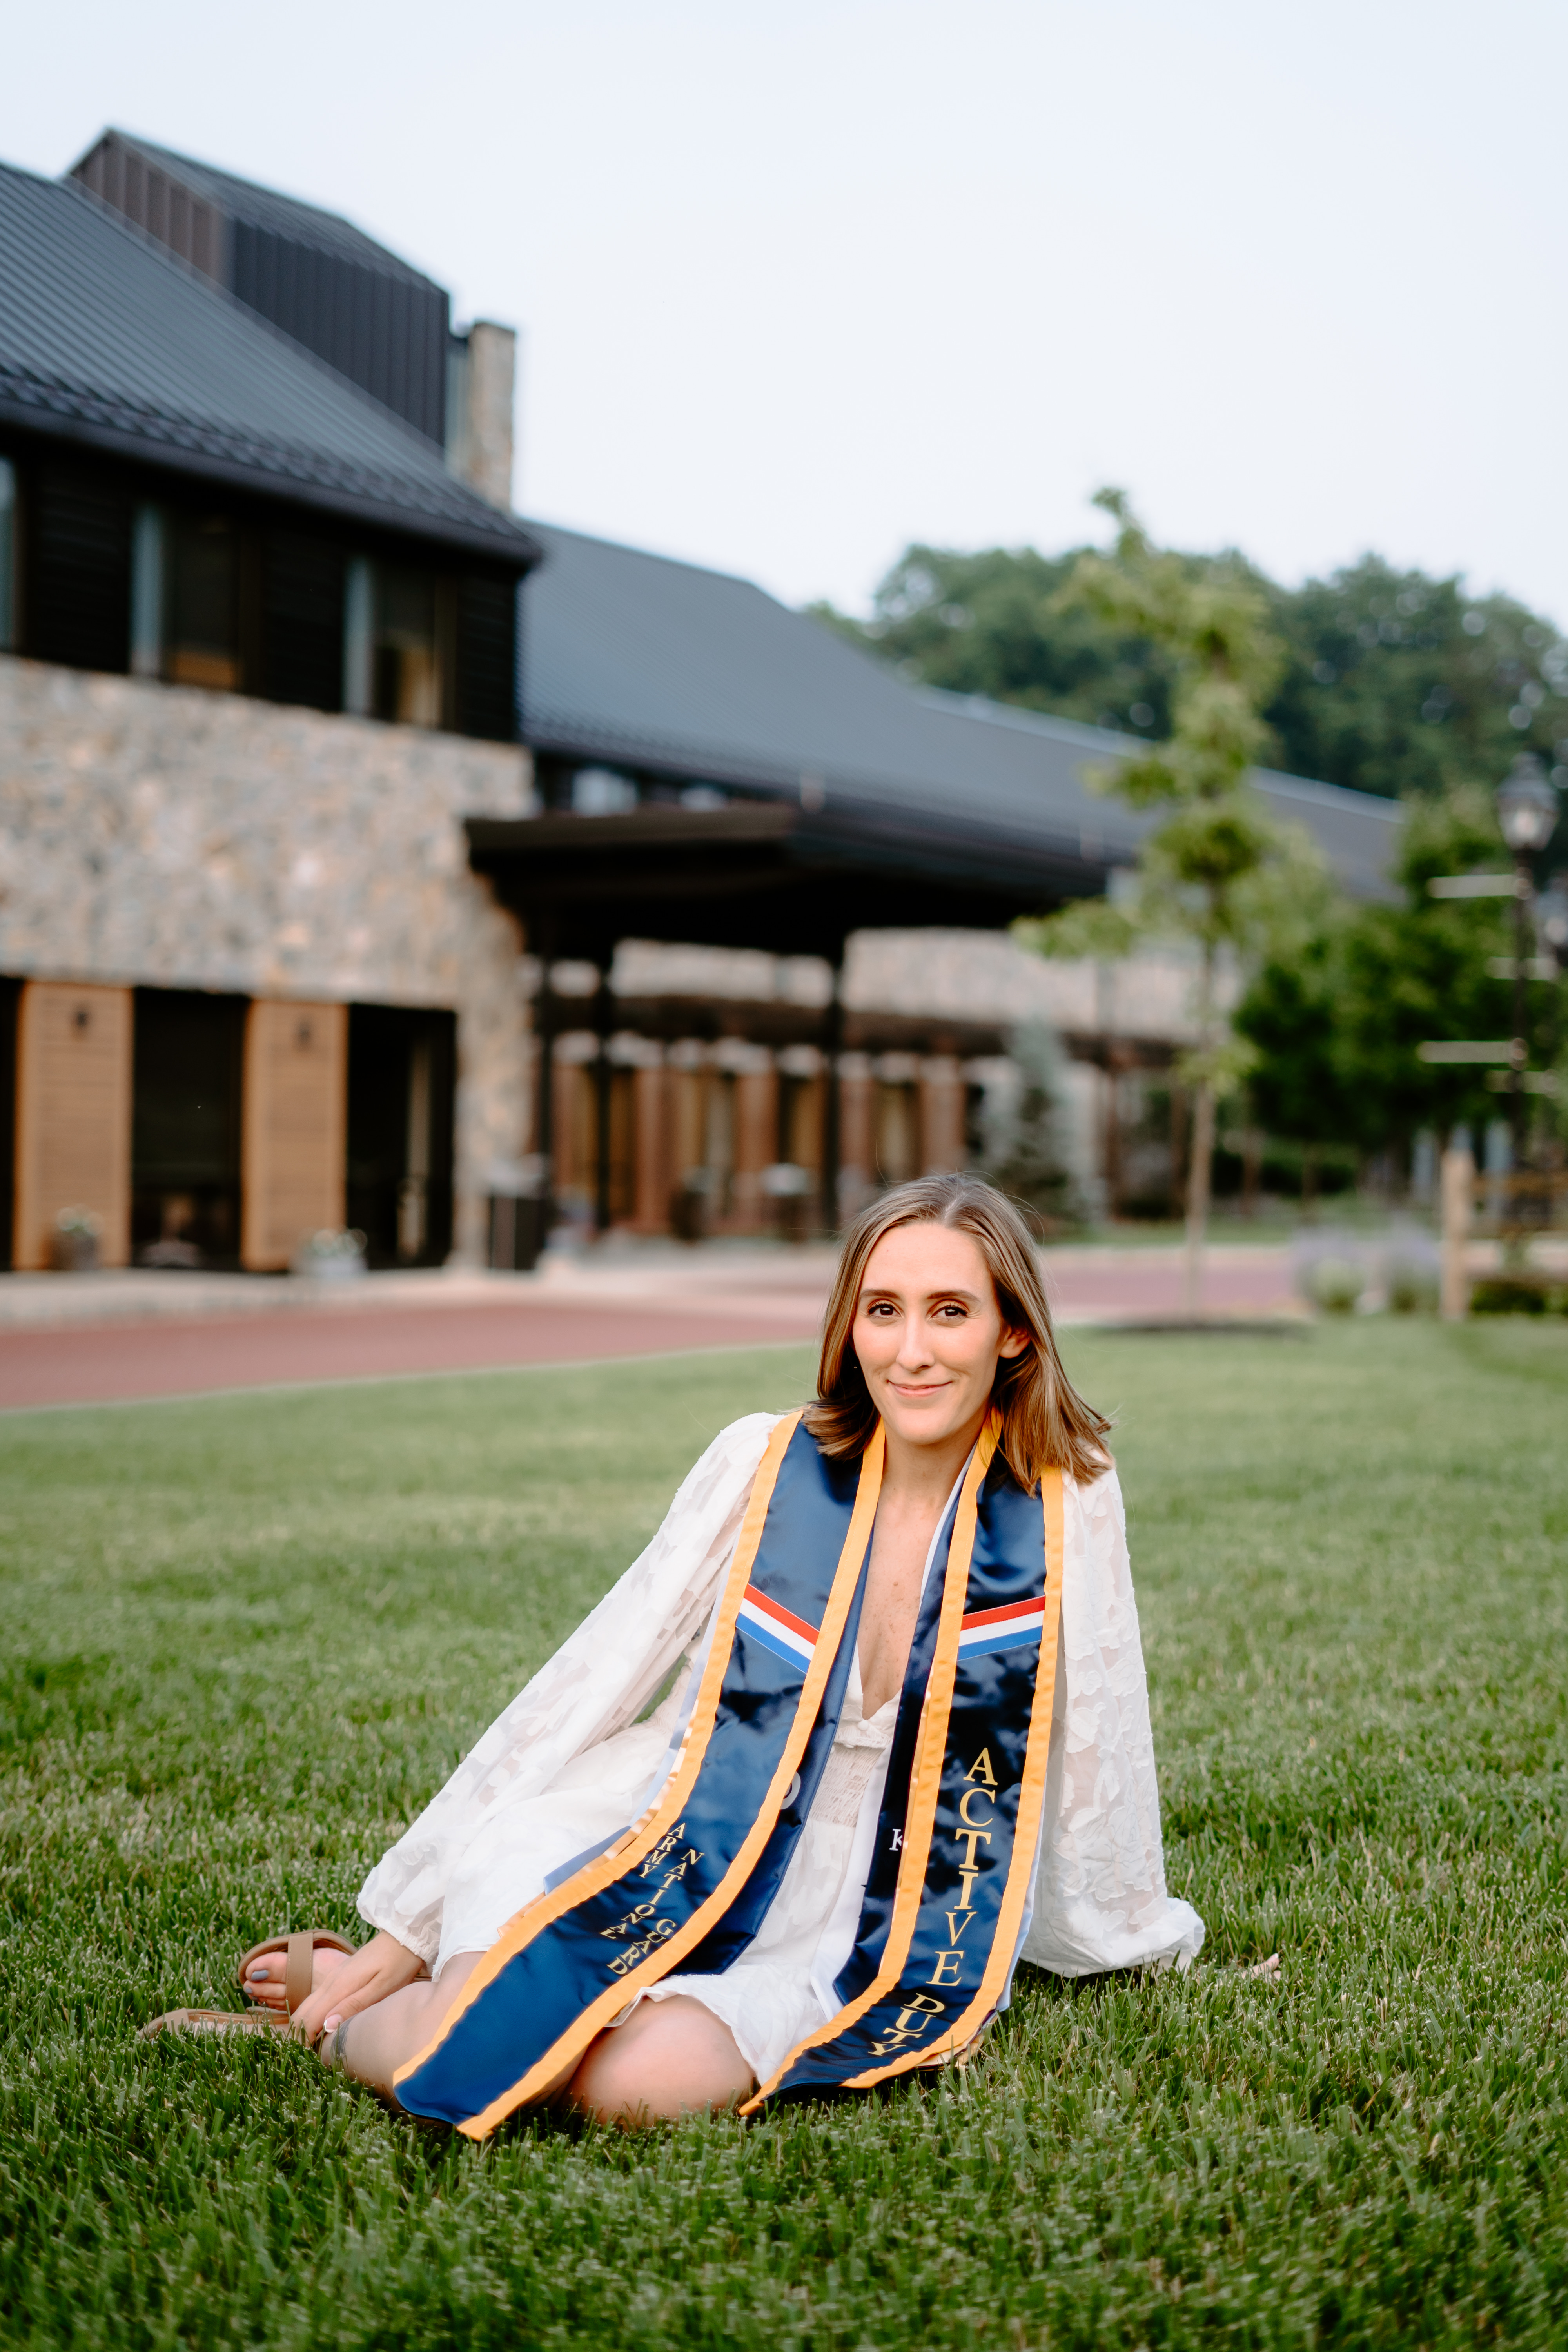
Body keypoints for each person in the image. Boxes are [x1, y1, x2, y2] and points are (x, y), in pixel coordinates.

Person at [149, 1175, 1202, 2126]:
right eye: (883, 1311)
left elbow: (1095, 1730)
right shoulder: (766, 1464)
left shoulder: (1065, 1498)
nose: (912, 1350)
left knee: (631, 2092)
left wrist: (1126, 1933)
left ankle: (472, 2013)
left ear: (1014, 1334)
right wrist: (406, 1931)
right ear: (850, 1324)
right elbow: (594, 1676)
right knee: (463, 2043)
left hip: (855, 1903)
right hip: (672, 1823)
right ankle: (339, 2016)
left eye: (950, 1313)